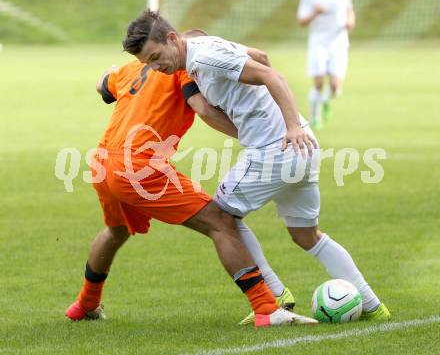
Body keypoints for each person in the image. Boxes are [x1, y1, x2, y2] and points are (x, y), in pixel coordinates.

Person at [122, 9, 390, 322]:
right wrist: (269, 123)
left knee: (221, 218)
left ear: (172, 38)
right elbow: (260, 57)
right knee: (307, 236)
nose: (156, 68)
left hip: (278, 147)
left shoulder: (205, 57)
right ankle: (374, 307)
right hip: (300, 148)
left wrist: (288, 126)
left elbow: (271, 76)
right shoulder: (202, 55)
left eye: (156, 57)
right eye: (148, 64)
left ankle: (275, 296)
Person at [65, 58, 317, 327]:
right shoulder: (181, 67)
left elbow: (102, 86)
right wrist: (254, 136)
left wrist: (110, 72)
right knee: (220, 222)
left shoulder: (131, 68)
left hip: (103, 162)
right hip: (139, 166)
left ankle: (85, 304)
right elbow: (202, 108)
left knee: (117, 231)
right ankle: (266, 308)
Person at [297, 0, 356, 130]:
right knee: (318, 82)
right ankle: (314, 117)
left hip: (338, 41)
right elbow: (301, 21)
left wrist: (350, 21)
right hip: (318, 42)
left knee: (336, 85)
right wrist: (315, 12)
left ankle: (325, 100)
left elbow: (348, 9)